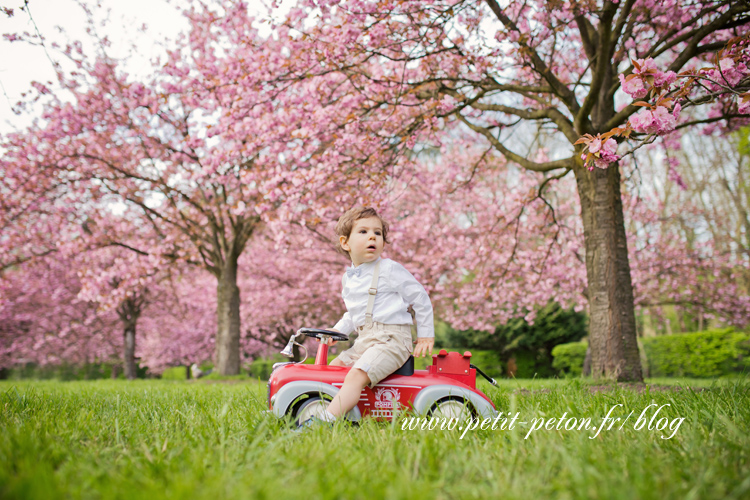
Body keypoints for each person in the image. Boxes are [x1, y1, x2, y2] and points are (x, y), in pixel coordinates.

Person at [303, 206, 435, 427]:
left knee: (356, 375)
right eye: (363, 232)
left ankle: (323, 422)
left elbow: (420, 298)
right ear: (346, 243)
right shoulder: (349, 278)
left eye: (378, 233)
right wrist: (338, 330)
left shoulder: (389, 269)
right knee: (334, 368)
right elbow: (353, 313)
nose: (372, 236)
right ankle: (341, 412)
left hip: (391, 340)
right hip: (366, 340)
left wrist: (425, 336)